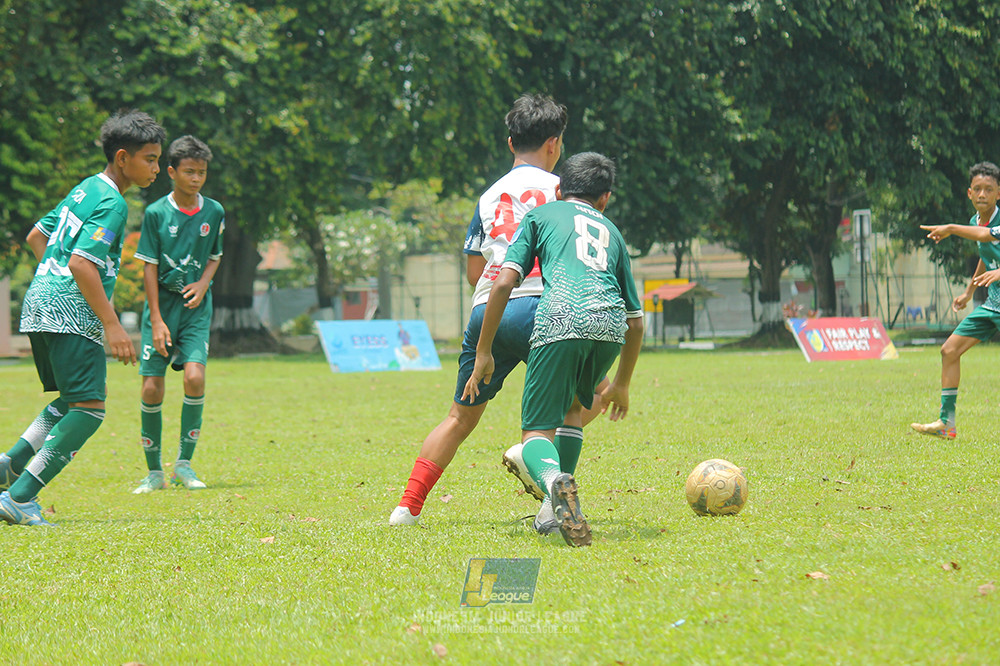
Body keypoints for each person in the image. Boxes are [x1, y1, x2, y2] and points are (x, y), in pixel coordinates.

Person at [389, 94, 607, 530]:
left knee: (459, 416)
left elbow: (475, 271)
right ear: (555, 144)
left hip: (490, 310)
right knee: (590, 398)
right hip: (549, 309)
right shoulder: (565, 192)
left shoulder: (488, 197)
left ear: (511, 143)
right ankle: (547, 486)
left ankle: (406, 509)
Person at [463, 152, 644, 547]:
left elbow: (503, 284)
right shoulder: (612, 231)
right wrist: (623, 384)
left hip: (561, 318)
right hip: (610, 326)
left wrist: (484, 351)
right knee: (573, 412)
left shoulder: (540, 216)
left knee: (534, 435)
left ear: (559, 190)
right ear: (605, 198)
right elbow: (636, 320)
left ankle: (553, 482)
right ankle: (553, 510)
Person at [0, 109, 165, 526]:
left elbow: (38, 236)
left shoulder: (85, 189)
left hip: (39, 305)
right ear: (123, 158)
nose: (157, 168)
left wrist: (50, 283)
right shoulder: (113, 203)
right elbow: (81, 264)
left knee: (71, 401)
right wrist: (111, 324)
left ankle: (9, 467)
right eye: (150, 159)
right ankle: (20, 497)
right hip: (71, 313)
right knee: (90, 408)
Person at [131, 135, 224, 493]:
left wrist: (202, 284)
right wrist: (156, 318)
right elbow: (149, 268)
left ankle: (184, 465)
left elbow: (215, 255)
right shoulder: (156, 214)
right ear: (171, 172)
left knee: (195, 379)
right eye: (189, 172)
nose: (196, 178)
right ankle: (154, 472)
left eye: (201, 172)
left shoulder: (214, 211)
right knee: (152, 387)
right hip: (162, 309)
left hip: (196, 309)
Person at [912, 161, 1000, 439]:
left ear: (999, 193)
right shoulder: (975, 221)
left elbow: (987, 236)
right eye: (978, 189)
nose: (983, 194)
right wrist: (969, 292)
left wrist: (950, 227)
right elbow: (988, 255)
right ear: (969, 193)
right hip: (994, 305)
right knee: (949, 351)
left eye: (989, 189)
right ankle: (946, 423)